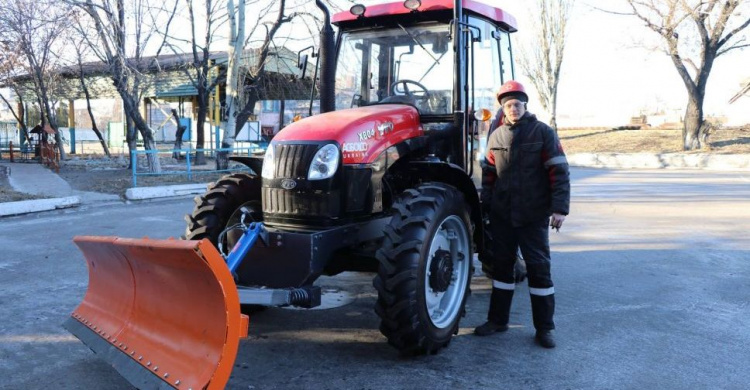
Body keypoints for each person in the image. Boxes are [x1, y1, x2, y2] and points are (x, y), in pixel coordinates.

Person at [474, 80, 570, 349]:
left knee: (539, 271)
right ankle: (497, 321)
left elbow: (559, 172)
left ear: (525, 106)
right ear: (503, 109)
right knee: (502, 271)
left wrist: (559, 209)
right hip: (504, 215)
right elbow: (489, 175)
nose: (513, 108)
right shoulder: (496, 137)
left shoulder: (543, 133)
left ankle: (544, 328)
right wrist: (487, 206)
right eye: (508, 105)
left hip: (533, 215)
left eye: (517, 104)